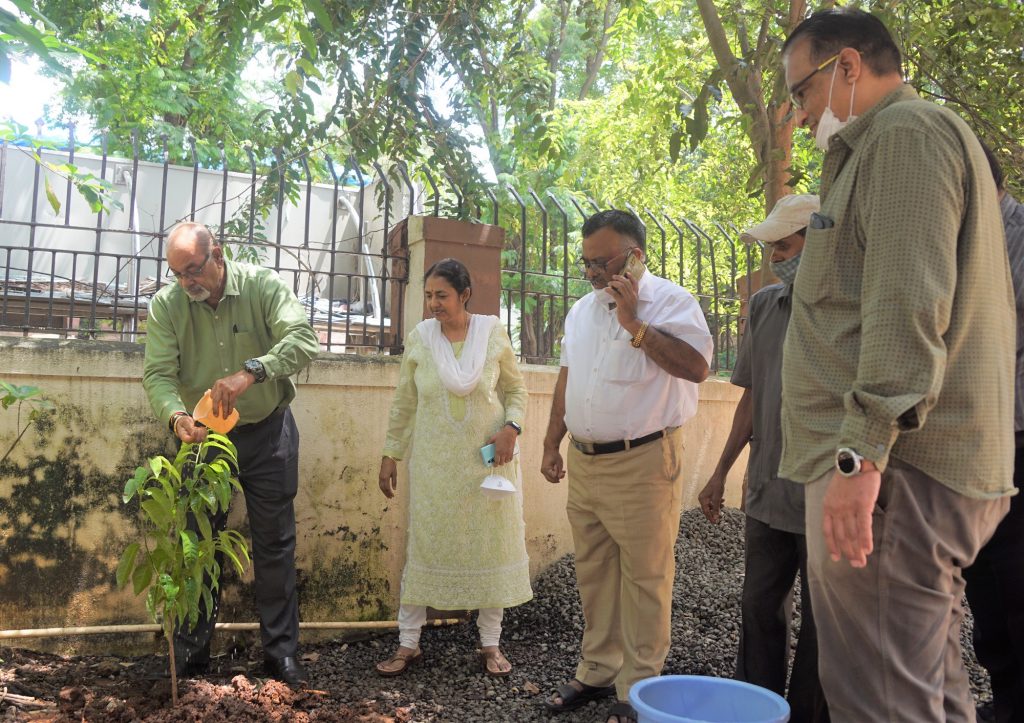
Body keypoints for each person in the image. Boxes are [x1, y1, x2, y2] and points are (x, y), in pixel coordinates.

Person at [779, 10, 1014, 721]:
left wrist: (858, 458)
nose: (799, 116)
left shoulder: (904, 137)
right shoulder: (899, 143)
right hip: (906, 475)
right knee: (927, 696)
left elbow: (904, 304)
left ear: (848, 66)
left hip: (894, 477)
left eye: (802, 93)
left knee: (882, 703)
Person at [541, 210, 713, 723]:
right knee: (593, 570)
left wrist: (635, 323)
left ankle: (638, 687)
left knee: (646, 576)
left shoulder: (673, 302)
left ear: (636, 254)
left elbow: (697, 369)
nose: (593, 272)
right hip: (586, 462)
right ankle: (598, 669)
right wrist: (553, 443)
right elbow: (567, 382)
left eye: (603, 261)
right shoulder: (581, 312)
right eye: (586, 262)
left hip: (643, 461)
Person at [143, 222, 319, 687]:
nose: (186, 283)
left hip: (268, 433)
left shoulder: (263, 286)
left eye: (193, 270)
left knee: (275, 546)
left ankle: (281, 657)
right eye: (177, 274)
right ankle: (190, 658)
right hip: (201, 442)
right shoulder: (167, 306)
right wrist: (175, 417)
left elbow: (303, 339)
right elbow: (158, 374)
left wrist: (252, 373)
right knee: (196, 545)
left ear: (217, 255)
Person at [698, 194, 829, 723]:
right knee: (758, 607)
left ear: (820, 239)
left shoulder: (850, 310)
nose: (775, 256)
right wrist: (719, 472)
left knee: (824, 624)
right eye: (772, 247)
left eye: (785, 244)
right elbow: (750, 396)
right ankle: (757, 707)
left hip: (826, 497)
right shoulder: (763, 307)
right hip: (768, 490)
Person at [376, 258, 532, 678]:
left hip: (487, 463)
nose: (433, 304)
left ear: (464, 295)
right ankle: (408, 643)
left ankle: (491, 644)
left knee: (490, 545)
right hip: (433, 468)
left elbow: (516, 389)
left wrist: (511, 429)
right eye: (428, 296)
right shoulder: (421, 339)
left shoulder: (493, 333)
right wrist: (391, 453)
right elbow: (405, 402)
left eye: (441, 295)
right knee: (424, 545)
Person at [963, 144, 1024, 723]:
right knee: (982, 578)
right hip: (973, 442)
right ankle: (1004, 696)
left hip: (1015, 438)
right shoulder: (970, 242)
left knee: (1014, 578)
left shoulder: (1018, 238)